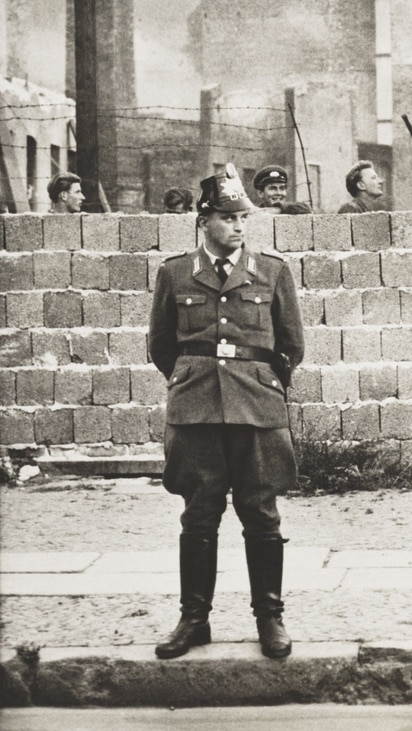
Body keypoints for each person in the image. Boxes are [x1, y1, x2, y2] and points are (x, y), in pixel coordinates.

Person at [148, 162, 305, 661]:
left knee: (261, 515)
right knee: (198, 516)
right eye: (228, 217)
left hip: (257, 408)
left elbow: (291, 346)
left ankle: (270, 618)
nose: (238, 226)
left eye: (243, 218)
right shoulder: (174, 273)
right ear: (204, 221)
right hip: (195, 409)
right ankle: (194, 619)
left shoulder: (273, 270)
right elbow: (160, 346)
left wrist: (259, 383)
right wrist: (195, 378)